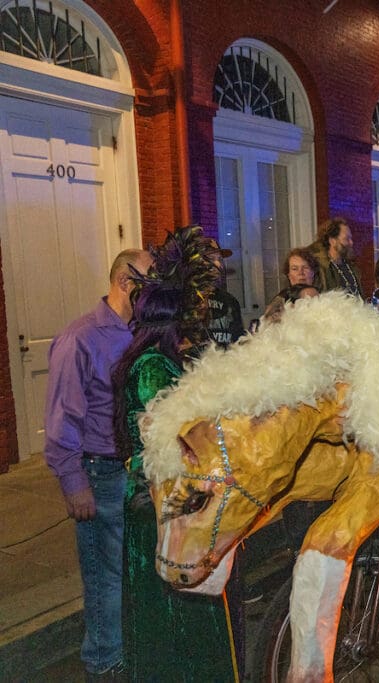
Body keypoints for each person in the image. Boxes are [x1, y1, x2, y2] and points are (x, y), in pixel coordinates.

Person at [111, 226, 239, 681]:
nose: (196, 323)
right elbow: (166, 447)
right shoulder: (152, 368)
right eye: (189, 316)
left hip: (165, 504)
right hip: (158, 509)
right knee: (172, 622)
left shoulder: (161, 362)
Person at [43, 248, 153, 680]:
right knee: (105, 578)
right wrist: (73, 482)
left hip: (133, 473)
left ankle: (126, 652)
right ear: (126, 283)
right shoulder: (80, 339)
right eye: (149, 284)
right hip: (99, 474)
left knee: (131, 572)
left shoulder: (139, 333)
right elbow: (61, 418)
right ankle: (105, 663)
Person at [309, 217, 362, 296]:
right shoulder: (320, 268)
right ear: (332, 241)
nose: (351, 243)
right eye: (346, 239)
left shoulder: (350, 266)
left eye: (350, 238)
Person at [206, 239, 244, 348]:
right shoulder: (186, 300)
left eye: (219, 259)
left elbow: (238, 341)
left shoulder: (230, 301)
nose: (218, 264)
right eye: (211, 259)